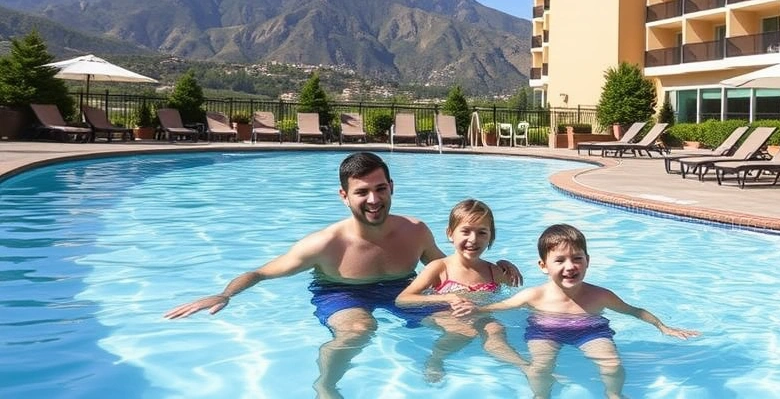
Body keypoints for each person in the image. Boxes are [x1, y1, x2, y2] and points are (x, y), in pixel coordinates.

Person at [163, 151, 522, 399]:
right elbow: (261, 272)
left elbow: (450, 268)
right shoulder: (325, 244)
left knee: (464, 327)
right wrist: (225, 294)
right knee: (359, 328)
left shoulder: (415, 231)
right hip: (341, 293)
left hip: (401, 288)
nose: (373, 199)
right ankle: (327, 386)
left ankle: (448, 365)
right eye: (361, 192)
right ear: (344, 196)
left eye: (380, 189)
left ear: (391, 189)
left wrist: (498, 268)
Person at [469, 223, 700, 399]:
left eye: (577, 258)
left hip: (590, 331)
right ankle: (541, 395)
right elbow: (501, 306)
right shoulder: (535, 295)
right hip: (545, 331)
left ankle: (614, 394)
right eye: (559, 260)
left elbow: (635, 311)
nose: (570, 266)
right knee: (539, 368)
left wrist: (663, 327)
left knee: (612, 366)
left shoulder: (600, 295)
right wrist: (475, 309)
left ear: (587, 261)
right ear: (543, 266)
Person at [396, 198, 527, 382]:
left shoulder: (493, 271)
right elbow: (403, 299)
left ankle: (524, 366)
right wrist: (447, 297)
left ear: (491, 237)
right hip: (441, 314)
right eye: (465, 231)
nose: (473, 239)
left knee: (496, 328)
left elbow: (513, 290)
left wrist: (509, 267)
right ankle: (436, 359)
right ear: (450, 233)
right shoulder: (439, 267)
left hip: (478, 314)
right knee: (464, 330)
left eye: (482, 232)